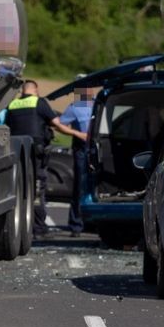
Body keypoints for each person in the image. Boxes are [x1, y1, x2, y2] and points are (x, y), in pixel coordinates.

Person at [5, 80, 82, 235]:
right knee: (38, 188)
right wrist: (79, 134)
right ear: (36, 89)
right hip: (37, 153)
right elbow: (57, 124)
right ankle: (38, 226)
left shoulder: (12, 105)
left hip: (18, 152)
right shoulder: (39, 103)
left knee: (21, 188)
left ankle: (21, 224)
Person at [59, 83, 95, 234]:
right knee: (80, 186)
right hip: (82, 150)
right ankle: (76, 224)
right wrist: (77, 134)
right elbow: (60, 124)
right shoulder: (74, 107)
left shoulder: (97, 104)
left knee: (96, 186)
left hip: (97, 148)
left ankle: (93, 222)